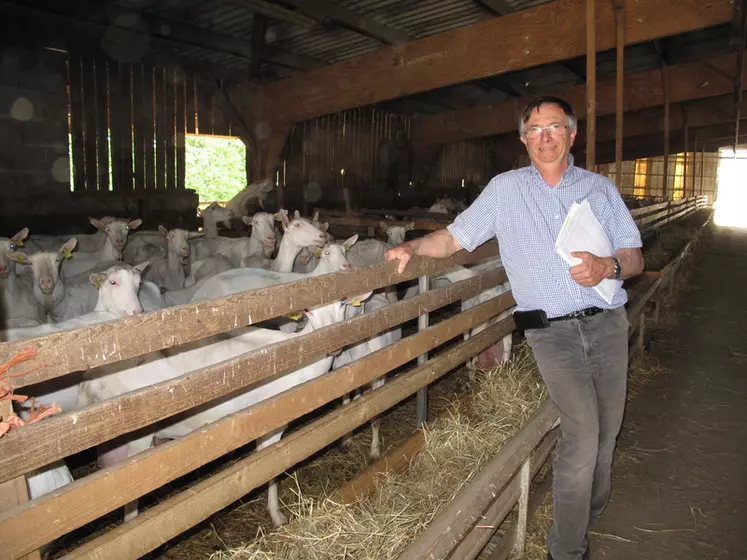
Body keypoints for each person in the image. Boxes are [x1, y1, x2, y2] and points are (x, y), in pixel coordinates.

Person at [385, 96, 644, 560]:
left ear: (572, 135)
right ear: (523, 139)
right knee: (583, 435)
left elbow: (634, 257)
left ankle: (588, 508)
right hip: (551, 332)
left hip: (607, 322)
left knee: (606, 439)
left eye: (555, 128)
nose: (545, 138)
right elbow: (454, 237)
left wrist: (607, 266)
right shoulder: (505, 190)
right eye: (535, 130)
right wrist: (414, 246)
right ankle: (567, 550)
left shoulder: (599, 190)